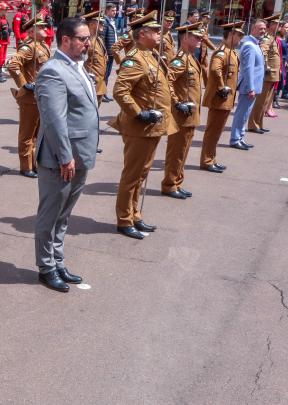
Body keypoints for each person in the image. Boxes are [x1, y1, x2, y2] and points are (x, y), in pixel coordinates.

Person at [34, 18, 99, 293]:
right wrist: (65, 157)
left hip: (79, 154)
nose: (88, 42)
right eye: (83, 38)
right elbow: (54, 120)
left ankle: (57, 261)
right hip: (61, 158)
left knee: (64, 215)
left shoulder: (77, 66)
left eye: (88, 38)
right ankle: (46, 268)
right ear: (65, 40)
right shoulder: (53, 71)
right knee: (49, 216)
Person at [108, 10, 178, 240]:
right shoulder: (135, 58)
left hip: (153, 126)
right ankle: (124, 219)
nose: (160, 33)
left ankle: (134, 214)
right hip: (140, 127)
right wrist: (140, 114)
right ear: (143, 33)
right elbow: (120, 91)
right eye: (156, 30)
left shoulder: (151, 55)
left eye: (160, 30)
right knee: (132, 175)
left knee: (142, 174)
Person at [160, 22, 204, 199]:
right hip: (182, 114)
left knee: (183, 151)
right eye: (197, 37)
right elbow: (166, 81)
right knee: (176, 152)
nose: (200, 40)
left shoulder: (191, 57)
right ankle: (169, 184)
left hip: (190, 114)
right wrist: (177, 102)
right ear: (186, 39)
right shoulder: (180, 59)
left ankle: (177, 181)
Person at [6, 16, 50, 178]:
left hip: (41, 96)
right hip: (30, 97)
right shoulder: (29, 47)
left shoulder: (42, 46)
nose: (46, 29)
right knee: (27, 134)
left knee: (37, 133)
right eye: (42, 28)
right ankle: (25, 166)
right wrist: (24, 84)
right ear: (32, 32)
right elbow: (13, 64)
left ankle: (34, 163)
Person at [200, 20, 243, 173]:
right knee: (213, 131)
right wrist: (221, 87)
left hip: (225, 99)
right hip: (220, 98)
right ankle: (206, 160)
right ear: (230, 35)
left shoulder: (230, 51)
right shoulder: (222, 52)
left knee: (217, 131)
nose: (240, 39)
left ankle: (212, 158)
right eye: (238, 35)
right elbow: (214, 69)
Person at [229, 19, 265, 151]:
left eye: (264, 29)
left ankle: (240, 137)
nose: (263, 31)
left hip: (254, 85)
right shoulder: (249, 45)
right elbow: (248, 68)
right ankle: (235, 139)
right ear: (252, 29)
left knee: (246, 113)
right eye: (260, 28)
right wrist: (251, 88)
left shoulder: (256, 44)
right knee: (242, 113)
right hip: (249, 86)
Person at [248, 15, 281, 133]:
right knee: (260, 102)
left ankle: (259, 124)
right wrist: (265, 67)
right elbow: (264, 53)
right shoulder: (267, 38)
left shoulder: (273, 37)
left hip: (273, 75)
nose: (280, 27)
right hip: (268, 75)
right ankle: (253, 124)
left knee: (265, 102)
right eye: (278, 25)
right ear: (272, 26)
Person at [84, 11, 109, 106]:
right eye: (100, 22)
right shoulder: (87, 41)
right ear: (91, 24)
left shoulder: (99, 40)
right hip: (90, 84)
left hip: (100, 84)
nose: (103, 24)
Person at [100, 3, 120, 101]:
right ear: (107, 11)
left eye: (115, 10)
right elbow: (102, 38)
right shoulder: (105, 22)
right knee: (104, 73)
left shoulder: (111, 21)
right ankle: (102, 93)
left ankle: (104, 93)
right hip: (107, 52)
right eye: (112, 10)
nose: (115, 12)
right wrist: (105, 53)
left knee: (107, 73)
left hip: (111, 52)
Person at [274, 20, 288, 110]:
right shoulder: (276, 39)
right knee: (277, 82)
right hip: (279, 62)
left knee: (281, 81)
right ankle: (274, 101)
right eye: (286, 27)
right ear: (280, 28)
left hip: (283, 62)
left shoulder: (283, 38)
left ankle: (276, 100)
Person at [0, 3, 11, 81]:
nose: (6, 11)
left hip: (5, 42)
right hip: (1, 43)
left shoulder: (5, 20)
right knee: (0, 59)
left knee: (3, 59)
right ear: (0, 10)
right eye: (5, 10)